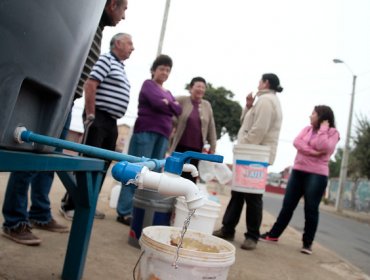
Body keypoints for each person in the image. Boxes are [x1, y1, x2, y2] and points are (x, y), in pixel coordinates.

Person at [2, 0, 128, 246]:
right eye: (123, 9)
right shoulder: (83, 20)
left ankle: (39, 212)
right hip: (47, 96)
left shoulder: (96, 27)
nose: (123, 16)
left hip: (65, 100)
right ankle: (14, 221)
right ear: (112, 5)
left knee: (49, 162)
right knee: (29, 159)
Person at [60, 32, 134, 220]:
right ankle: (70, 205)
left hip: (111, 121)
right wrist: (91, 114)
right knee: (88, 161)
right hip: (99, 117)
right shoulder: (106, 60)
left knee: (102, 164)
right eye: (129, 43)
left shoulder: (119, 66)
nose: (132, 48)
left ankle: (87, 204)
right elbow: (91, 84)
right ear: (118, 43)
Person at [213, 73, 283, 250]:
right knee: (238, 192)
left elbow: (259, 129)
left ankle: (252, 236)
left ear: (266, 83)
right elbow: (246, 121)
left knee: (252, 196)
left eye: (260, 80)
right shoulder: (263, 100)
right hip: (251, 153)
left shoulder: (267, 101)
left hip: (254, 155)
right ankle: (228, 228)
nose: (258, 83)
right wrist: (249, 106)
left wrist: (244, 146)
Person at [260, 105, 340, 255]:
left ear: (322, 117)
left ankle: (307, 244)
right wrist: (313, 152)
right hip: (297, 172)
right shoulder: (307, 129)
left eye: (314, 114)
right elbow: (297, 143)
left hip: (317, 175)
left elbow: (325, 147)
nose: (310, 116)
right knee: (287, 206)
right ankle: (273, 235)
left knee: (310, 209)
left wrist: (323, 130)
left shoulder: (332, 133)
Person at [116, 54, 182, 225]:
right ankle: (124, 211)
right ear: (154, 70)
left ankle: (139, 209)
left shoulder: (167, 92)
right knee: (136, 170)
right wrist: (168, 105)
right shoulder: (148, 84)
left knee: (153, 174)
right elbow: (156, 103)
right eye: (162, 69)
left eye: (168, 70)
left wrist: (168, 103)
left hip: (163, 135)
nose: (165, 72)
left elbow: (178, 110)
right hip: (145, 132)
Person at [168, 76, 217, 183]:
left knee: (190, 179)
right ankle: (172, 199)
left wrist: (213, 147)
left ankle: (185, 200)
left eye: (203, 87)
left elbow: (211, 127)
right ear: (191, 88)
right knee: (175, 177)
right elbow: (169, 102)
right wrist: (173, 123)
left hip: (196, 151)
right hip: (180, 148)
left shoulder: (207, 105)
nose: (201, 89)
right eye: (198, 86)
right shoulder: (182, 100)